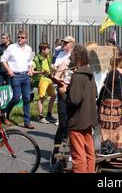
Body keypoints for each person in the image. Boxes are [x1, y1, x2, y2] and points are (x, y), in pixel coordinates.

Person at [59, 44, 97, 173]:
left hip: (77, 121)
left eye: (72, 57)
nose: (70, 60)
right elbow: (94, 94)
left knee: (78, 156)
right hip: (88, 120)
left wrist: (63, 92)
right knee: (89, 154)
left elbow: (74, 100)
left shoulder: (78, 76)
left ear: (79, 59)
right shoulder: (89, 74)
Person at [1, 30, 35, 129]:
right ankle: (5, 113)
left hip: (25, 76)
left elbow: (30, 61)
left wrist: (31, 69)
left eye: (22, 37)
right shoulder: (12, 47)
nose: (20, 39)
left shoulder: (28, 49)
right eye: (19, 37)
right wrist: (9, 70)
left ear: (26, 39)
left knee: (27, 98)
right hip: (15, 75)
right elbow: (3, 59)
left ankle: (27, 121)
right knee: (16, 98)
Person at [51, 35, 75, 165]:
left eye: (66, 43)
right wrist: (59, 70)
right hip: (61, 90)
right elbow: (55, 67)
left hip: (73, 92)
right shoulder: (60, 54)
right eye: (63, 42)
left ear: (72, 43)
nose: (64, 44)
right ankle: (55, 153)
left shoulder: (76, 56)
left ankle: (69, 152)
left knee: (72, 125)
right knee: (62, 125)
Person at [98, 56, 122, 151]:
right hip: (119, 102)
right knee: (118, 126)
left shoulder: (114, 73)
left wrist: (98, 102)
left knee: (107, 126)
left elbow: (105, 85)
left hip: (110, 102)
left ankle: (107, 145)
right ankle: (118, 145)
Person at [32, 42, 57, 124]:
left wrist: (56, 68)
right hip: (42, 79)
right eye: (48, 49)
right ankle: (41, 116)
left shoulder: (48, 57)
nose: (49, 50)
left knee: (53, 96)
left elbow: (50, 66)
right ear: (43, 50)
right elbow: (32, 71)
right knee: (42, 97)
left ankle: (49, 114)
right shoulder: (36, 58)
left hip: (49, 79)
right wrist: (40, 71)